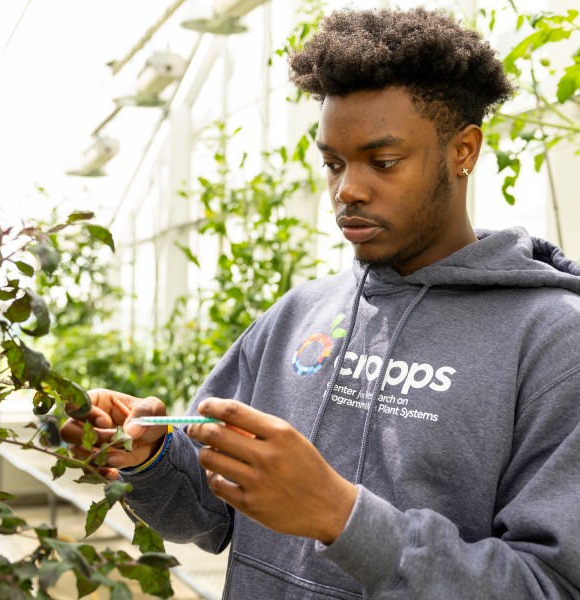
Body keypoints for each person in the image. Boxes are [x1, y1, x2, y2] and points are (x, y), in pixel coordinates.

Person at [61, 6, 580, 599]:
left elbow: (551, 586)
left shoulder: (553, 343)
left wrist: (341, 517)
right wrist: (150, 459)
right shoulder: (299, 315)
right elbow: (209, 515)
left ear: (463, 151)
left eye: (382, 162)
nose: (347, 191)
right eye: (333, 163)